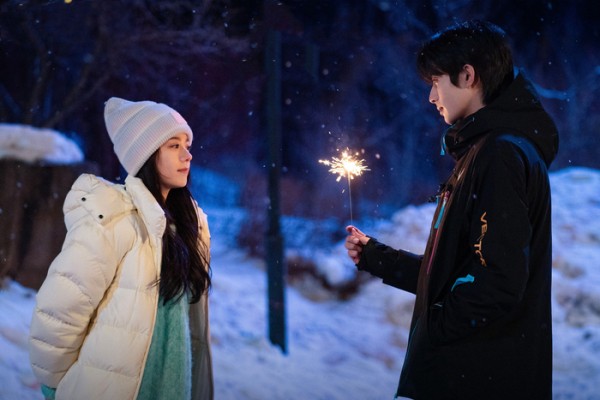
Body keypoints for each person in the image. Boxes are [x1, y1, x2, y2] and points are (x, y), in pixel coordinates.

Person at [345, 20, 558, 400]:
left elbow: (497, 280)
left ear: (468, 75)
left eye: (435, 81)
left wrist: (438, 328)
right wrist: (379, 258)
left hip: (473, 378)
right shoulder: (485, 151)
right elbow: (457, 272)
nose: (431, 97)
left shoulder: (499, 154)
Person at [29, 97, 213, 400]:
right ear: (146, 155)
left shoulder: (188, 228)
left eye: (187, 144)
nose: (187, 154)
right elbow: (58, 314)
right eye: (174, 145)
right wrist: (56, 388)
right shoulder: (113, 222)